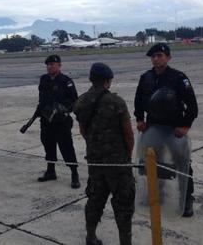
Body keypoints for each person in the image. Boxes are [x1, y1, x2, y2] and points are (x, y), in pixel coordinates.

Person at [134, 42, 198, 217]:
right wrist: (139, 118)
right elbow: (138, 100)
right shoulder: (145, 77)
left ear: (168, 57)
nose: (156, 59)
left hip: (174, 128)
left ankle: (186, 198)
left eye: (160, 56)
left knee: (182, 163)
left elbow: (192, 105)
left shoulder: (179, 78)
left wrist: (185, 125)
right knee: (152, 162)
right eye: (153, 56)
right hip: (153, 127)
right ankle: (157, 194)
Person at [75, 63, 135, 245]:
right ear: (108, 81)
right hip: (117, 162)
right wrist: (127, 155)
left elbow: (83, 131)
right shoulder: (116, 102)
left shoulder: (81, 102)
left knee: (95, 199)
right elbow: (128, 134)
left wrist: (95, 145)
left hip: (95, 160)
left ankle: (90, 236)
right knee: (123, 204)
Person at [35, 55, 80, 189]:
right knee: (48, 145)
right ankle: (50, 171)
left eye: (52, 64)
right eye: (48, 64)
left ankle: (74, 173)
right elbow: (42, 98)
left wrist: (63, 109)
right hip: (46, 119)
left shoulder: (66, 81)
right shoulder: (43, 80)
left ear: (59, 66)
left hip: (61, 121)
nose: (50, 67)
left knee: (66, 147)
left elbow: (74, 100)